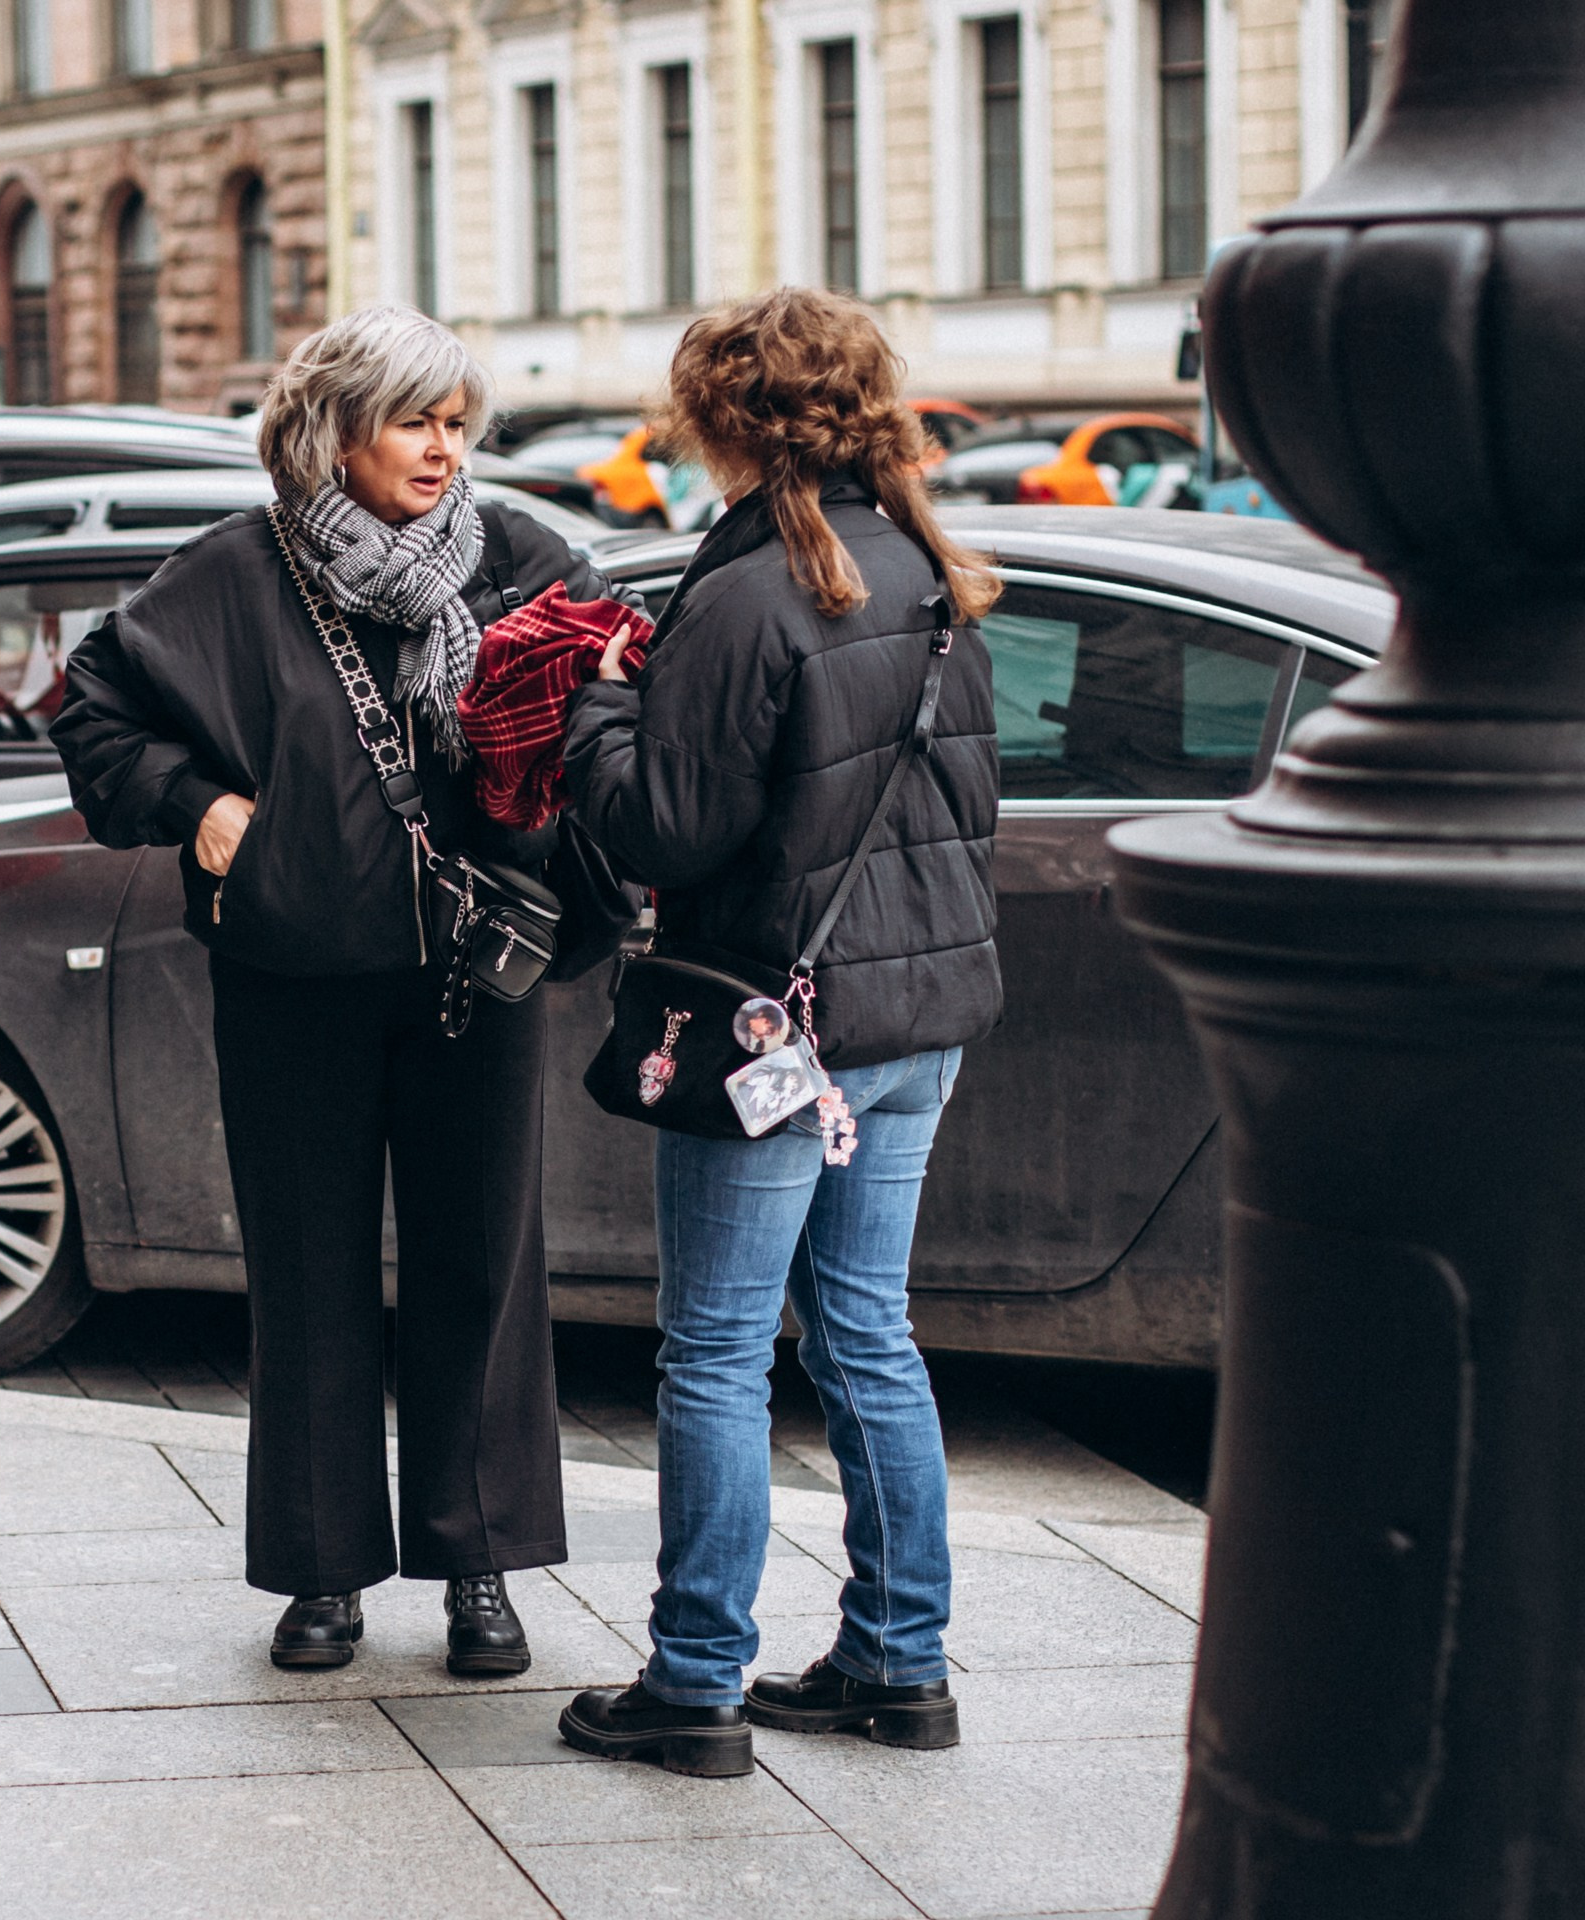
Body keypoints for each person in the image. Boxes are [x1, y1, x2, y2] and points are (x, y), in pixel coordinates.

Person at [52, 306, 625, 1677]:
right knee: (307, 1272)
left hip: (477, 979)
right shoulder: (234, 576)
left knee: (479, 1266)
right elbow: (90, 709)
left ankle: (478, 1565)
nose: (442, 448)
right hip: (292, 977)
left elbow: (617, 712)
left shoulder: (523, 564)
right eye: (413, 420)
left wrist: (569, 755)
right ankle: (322, 1572)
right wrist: (197, 809)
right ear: (333, 430)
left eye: (455, 421)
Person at [555, 287, 1004, 1776]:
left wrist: (598, 714)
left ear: (720, 419)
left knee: (719, 1350)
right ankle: (899, 1660)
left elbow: (661, 828)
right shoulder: (932, 569)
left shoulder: (747, 597)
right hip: (916, 1010)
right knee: (869, 1331)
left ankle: (696, 1683)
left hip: (771, 1026)